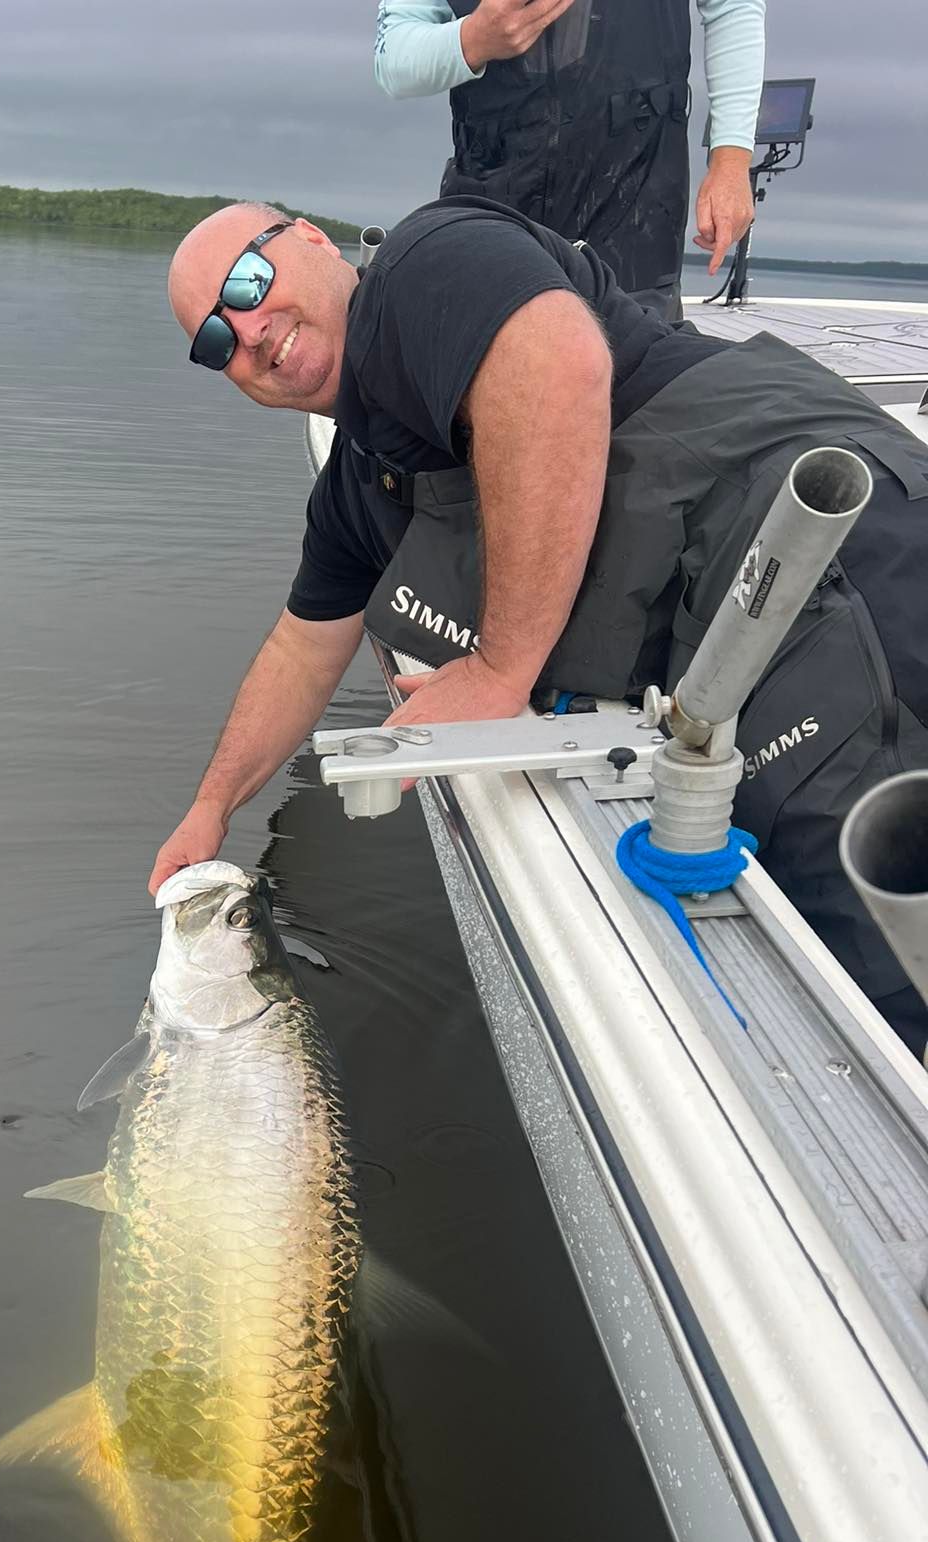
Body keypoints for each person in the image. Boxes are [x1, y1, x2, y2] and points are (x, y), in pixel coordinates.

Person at [152, 199, 928, 1047]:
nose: (250, 330)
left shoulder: (428, 263)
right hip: (711, 637)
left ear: (307, 238)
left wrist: (497, 671)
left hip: (816, 541)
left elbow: (555, 363)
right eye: (217, 342)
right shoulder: (360, 482)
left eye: (249, 283)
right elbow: (304, 646)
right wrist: (211, 809)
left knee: (882, 938)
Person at [373, 0, 766, 319]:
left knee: (635, 394)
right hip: (490, 225)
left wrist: (731, 159)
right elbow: (393, 58)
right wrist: (473, 39)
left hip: (637, 228)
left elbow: (734, 7)